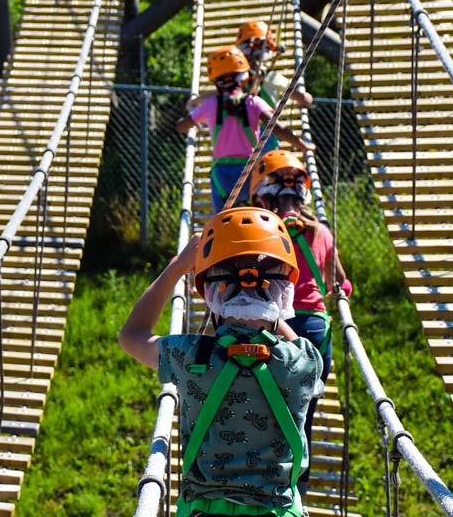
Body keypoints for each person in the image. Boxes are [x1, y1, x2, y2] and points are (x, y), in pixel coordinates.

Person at [119, 207, 323, 517]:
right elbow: (286, 329)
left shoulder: (190, 356)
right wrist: (264, 289)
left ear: (212, 294)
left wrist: (177, 268)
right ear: (284, 295)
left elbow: (131, 336)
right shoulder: (304, 361)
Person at [250, 148, 353, 498]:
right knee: (303, 410)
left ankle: (266, 479)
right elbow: (344, 284)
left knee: (266, 403)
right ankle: (299, 486)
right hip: (317, 328)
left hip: (276, 323)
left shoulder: (266, 230)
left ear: (265, 197)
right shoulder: (322, 232)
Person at [177, 46, 313, 213]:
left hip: (221, 175)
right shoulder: (253, 102)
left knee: (221, 221)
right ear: (243, 78)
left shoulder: (210, 105)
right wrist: (302, 145)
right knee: (258, 216)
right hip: (252, 172)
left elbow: (184, 126)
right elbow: (276, 127)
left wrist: (182, 122)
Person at [235, 19, 313, 111]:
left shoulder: (230, 78)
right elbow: (305, 99)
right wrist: (300, 103)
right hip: (266, 122)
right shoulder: (271, 77)